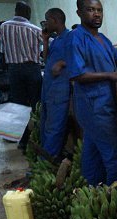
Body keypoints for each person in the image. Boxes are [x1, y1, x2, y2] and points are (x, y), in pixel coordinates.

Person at [68, 0, 117, 185]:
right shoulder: (76, 38)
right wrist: (110, 75)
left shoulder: (103, 39)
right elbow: (77, 74)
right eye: (90, 10)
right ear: (79, 12)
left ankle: (91, 194)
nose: (96, 14)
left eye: (99, 10)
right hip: (93, 106)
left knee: (92, 153)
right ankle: (116, 198)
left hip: (104, 104)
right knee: (116, 154)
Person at [0, 1, 42, 150]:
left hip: (14, 70)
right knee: (37, 106)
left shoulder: (4, 27)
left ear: (15, 11)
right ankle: (39, 139)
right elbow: (48, 46)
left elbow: (2, 49)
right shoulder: (35, 29)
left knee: (20, 107)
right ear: (28, 14)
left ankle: (23, 141)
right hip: (32, 69)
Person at [40, 8, 71, 161]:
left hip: (59, 90)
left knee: (55, 128)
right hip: (49, 88)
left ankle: (47, 161)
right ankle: (43, 159)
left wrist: (63, 63)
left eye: (46, 20)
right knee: (46, 125)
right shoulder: (56, 39)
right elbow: (46, 61)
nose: (45, 23)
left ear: (54, 20)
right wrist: (45, 41)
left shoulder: (70, 38)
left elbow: (81, 58)